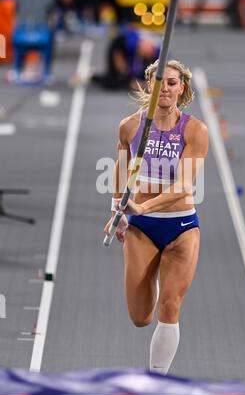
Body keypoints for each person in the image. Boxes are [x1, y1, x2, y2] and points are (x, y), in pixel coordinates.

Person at [104, 59, 209, 374]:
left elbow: (183, 186)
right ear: (148, 85)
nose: (165, 88)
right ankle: (158, 280)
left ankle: (156, 384)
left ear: (182, 88)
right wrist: (117, 211)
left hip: (181, 228)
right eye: (159, 81)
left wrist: (143, 207)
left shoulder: (194, 129)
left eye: (172, 82)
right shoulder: (129, 126)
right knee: (140, 317)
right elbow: (121, 171)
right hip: (141, 229)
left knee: (170, 304)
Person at [72, 27, 160, 90]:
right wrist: (122, 69)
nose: (144, 55)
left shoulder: (158, 54)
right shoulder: (130, 43)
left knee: (135, 76)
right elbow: (117, 52)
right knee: (113, 80)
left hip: (129, 53)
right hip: (117, 49)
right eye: (143, 52)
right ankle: (90, 75)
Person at [12, 0, 55, 83]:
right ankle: (47, 73)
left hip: (20, 37)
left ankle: (17, 71)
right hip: (41, 38)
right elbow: (51, 20)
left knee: (18, 38)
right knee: (51, 33)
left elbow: (15, 17)